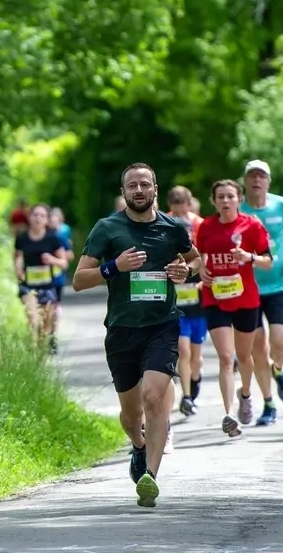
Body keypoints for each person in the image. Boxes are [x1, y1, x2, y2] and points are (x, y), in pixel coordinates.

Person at [73, 163, 196, 507]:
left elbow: (195, 261)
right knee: (131, 415)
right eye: (132, 185)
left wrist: (185, 270)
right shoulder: (107, 228)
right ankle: (139, 445)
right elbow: (79, 280)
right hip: (123, 330)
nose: (139, 190)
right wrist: (114, 267)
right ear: (124, 191)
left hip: (163, 324)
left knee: (155, 397)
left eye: (145, 184)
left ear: (156, 189)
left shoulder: (173, 228)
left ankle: (150, 478)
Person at [197, 179, 274, 437]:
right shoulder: (206, 226)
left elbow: (268, 261)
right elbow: (201, 256)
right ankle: (229, 414)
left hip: (245, 299)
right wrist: (203, 271)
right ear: (214, 201)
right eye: (221, 197)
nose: (226, 201)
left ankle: (246, 394)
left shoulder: (251, 225)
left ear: (239, 199)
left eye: (230, 196)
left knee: (244, 357)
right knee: (226, 358)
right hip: (215, 297)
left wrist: (249, 257)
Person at [240, 159, 283, 426]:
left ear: (268, 181)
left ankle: (280, 370)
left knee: (280, 341)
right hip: (247, 287)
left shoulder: (282, 205)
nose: (256, 181)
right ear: (245, 181)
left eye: (261, 177)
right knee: (257, 346)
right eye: (252, 176)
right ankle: (268, 403)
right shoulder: (237, 209)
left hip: (277, 284)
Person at [168, 187, 206, 417]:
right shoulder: (167, 225)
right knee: (183, 350)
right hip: (177, 306)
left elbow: (206, 264)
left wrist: (202, 284)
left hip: (198, 304)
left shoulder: (199, 226)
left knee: (196, 357)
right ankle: (187, 396)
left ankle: (195, 379)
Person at [14, 204, 68, 347]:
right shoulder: (22, 238)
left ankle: (40, 355)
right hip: (28, 287)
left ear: (46, 220)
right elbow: (17, 257)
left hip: (47, 287)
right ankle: (33, 350)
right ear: (29, 217)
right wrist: (18, 270)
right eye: (35, 215)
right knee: (34, 321)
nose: (38, 218)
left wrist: (52, 260)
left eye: (42, 215)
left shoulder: (52, 239)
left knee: (45, 327)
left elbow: (64, 263)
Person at [48, 207, 74, 353]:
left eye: (55, 221)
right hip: (40, 279)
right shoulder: (39, 238)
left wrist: (58, 257)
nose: (53, 224)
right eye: (50, 221)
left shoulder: (62, 238)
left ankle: (52, 334)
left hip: (57, 277)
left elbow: (70, 256)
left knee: (53, 307)